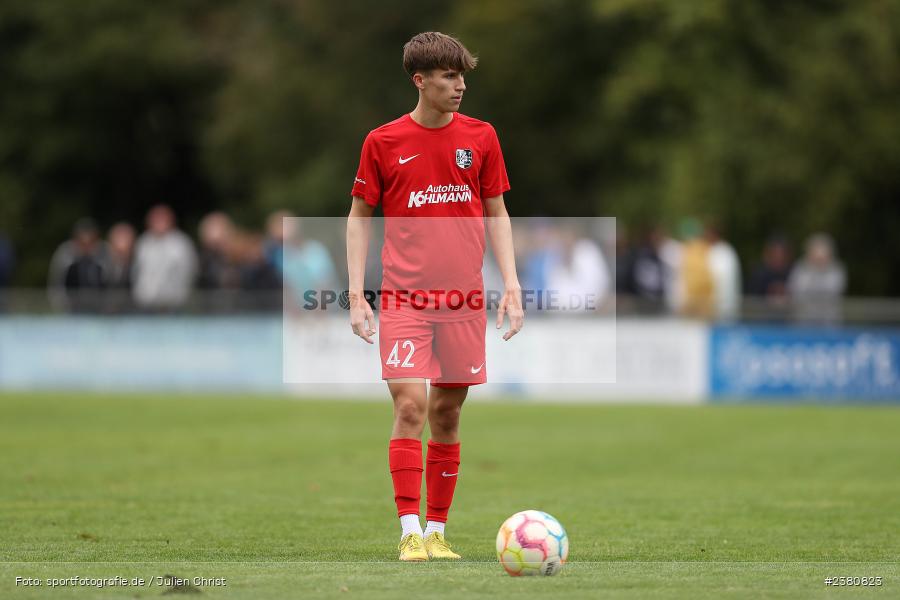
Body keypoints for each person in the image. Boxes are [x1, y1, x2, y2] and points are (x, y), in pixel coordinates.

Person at [346, 32, 523, 562]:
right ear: (420, 80)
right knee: (410, 405)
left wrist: (512, 283)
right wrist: (356, 294)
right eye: (449, 76)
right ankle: (408, 530)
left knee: (447, 413)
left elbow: (497, 213)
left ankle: (437, 531)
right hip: (404, 299)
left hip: (464, 301)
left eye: (462, 75)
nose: (460, 85)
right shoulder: (383, 142)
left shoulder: (482, 137)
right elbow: (359, 217)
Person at [132, 205, 197, 311]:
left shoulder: (181, 243)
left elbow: (190, 270)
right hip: (146, 304)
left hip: (175, 304)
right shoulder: (143, 242)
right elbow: (136, 271)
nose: (159, 223)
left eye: (162, 219)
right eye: (156, 220)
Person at [788, 233, 846, 324]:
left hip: (829, 320)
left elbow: (833, 291)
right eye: (815, 253)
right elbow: (797, 289)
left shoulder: (837, 269)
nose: (819, 258)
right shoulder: (800, 268)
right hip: (804, 320)